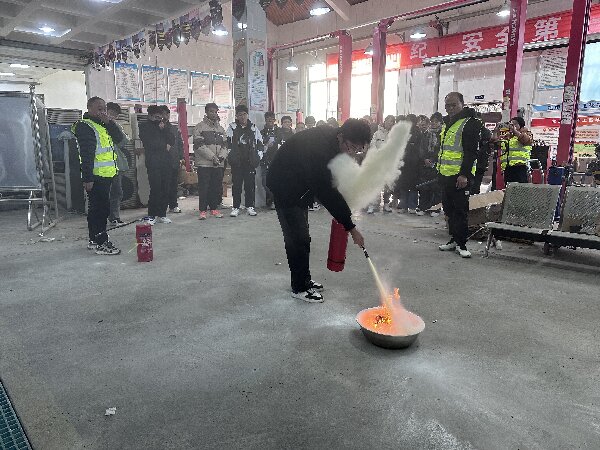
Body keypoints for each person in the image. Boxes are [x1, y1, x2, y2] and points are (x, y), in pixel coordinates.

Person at [267, 119, 368, 303]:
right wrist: (351, 227)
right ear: (341, 136)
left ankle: (304, 279)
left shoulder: (333, 142)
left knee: (302, 237)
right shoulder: (319, 148)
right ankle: (299, 288)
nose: (352, 152)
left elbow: (331, 180)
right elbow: (325, 190)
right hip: (285, 187)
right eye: (351, 147)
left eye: (358, 149)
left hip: (300, 187)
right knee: (297, 239)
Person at [72, 96, 125, 255]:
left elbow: (120, 139)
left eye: (104, 108)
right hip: (96, 176)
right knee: (101, 210)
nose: (103, 111)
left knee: (96, 209)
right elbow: (86, 154)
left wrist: (109, 123)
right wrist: (87, 178)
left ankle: (94, 240)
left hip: (106, 175)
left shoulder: (103, 124)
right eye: (99, 108)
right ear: (89, 108)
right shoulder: (85, 126)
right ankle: (102, 243)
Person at [436, 92, 482, 258]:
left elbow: (471, 152)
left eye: (453, 105)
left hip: (459, 176)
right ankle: (453, 240)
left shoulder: (470, 123)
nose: (450, 108)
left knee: (460, 211)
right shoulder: (447, 123)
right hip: (445, 174)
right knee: (449, 210)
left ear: (462, 104)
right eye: (447, 105)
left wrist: (464, 175)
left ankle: (462, 244)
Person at [138, 105, 175, 225]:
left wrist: (164, 130)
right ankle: (152, 215)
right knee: (155, 189)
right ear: (150, 116)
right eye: (156, 117)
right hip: (153, 162)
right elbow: (150, 143)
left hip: (166, 162)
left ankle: (162, 214)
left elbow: (172, 140)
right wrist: (164, 146)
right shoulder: (144, 126)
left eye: (160, 117)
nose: (159, 119)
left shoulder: (164, 126)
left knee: (165, 188)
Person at [226, 104, 263, 217]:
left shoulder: (253, 128)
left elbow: (260, 142)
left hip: (250, 162)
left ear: (247, 115)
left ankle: (250, 207)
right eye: (240, 115)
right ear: (236, 116)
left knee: (250, 185)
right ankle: (236, 207)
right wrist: (231, 157)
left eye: (244, 114)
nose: (242, 117)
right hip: (237, 162)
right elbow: (227, 143)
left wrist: (258, 156)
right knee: (236, 185)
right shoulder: (232, 127)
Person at [193, 102, 228, 219]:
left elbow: (225, 146)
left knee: (215, 187)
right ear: (206, 112)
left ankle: (214, 209)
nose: (213, 114)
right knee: (204, 188)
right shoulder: (199, 127)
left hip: (218, 164)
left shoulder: (221, 129)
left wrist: (221, 157)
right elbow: (199, 145)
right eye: (211, 111)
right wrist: (213, 157)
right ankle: (202, 211)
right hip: (205, 164)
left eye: (215, 112)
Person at [106, 102, 130, 226]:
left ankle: (114, 217)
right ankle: (104, 217)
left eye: (115, 115)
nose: (112, 116)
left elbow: (124, 141)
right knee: (105, 193)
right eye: (110, 113)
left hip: (116, 164)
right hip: (102, 165)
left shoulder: (116, 126)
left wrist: (114, 126)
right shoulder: (97, 126)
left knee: (117, 191)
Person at [368, 114, 396, 213]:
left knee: (388, 184)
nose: (390, 123)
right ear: (385, 121)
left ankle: (386, 204)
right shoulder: (377, 133)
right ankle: (372, 205)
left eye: (392, 121)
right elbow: (372, 145)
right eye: (388, 121)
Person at [159, 105, 184, 214]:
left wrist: (181, 157)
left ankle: (173, 205)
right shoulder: (156, 128)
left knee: (173, 185)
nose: (164, 116)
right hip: (161, 162)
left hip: (173, 161)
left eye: (166, 114)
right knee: (162, 186)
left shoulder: (174, 129)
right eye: (162, 114)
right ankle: (161, 207)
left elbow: (180, 144)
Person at [418, 112, 443, 216]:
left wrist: (433, 160)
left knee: (436, 188)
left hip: (437, 164)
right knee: (424, 187)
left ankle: (435, 209)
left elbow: (441, 149)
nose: (433, 123)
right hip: (425, 164)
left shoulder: (442, 134)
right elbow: (421, 148)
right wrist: (424, 159)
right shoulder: (426, 134)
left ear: (440, 122)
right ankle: (423, 207)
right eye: (432, 121)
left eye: (436, 121)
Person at [395, 116, 421, 214]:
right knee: (403, 185)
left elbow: (420, 148)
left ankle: (412, 206)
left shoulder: (418, 133)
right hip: (404, 163)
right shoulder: (403, 132)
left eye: (410, 121)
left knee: (413, 186)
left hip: (414, 164)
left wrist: (417, 159)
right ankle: (403, 206)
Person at [495, 116, 533, 184]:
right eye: (511, 124)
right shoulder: (508, 136)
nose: (512, 126)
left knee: (520, 188)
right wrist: (496, 131)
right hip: (507, 167)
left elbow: (526, 140)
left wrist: (515, 131)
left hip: (520, 167)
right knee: (509, 188)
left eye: (515, 124)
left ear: (521, 125)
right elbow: (495, 143)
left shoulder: (526, 133)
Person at [471, 114, 492, 195]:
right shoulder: (469, 131)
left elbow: (488, 147)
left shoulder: (486, 132)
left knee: (476, 186)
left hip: (480, 163)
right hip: (470, 163)